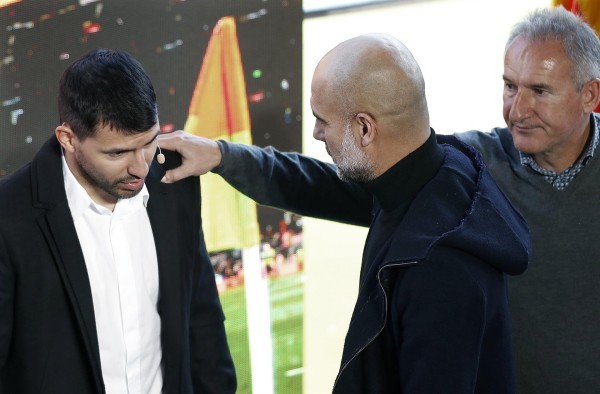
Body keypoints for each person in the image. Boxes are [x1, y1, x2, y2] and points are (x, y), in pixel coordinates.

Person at [158, 33, 531, 392]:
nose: (318, 133)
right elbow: (314, 185)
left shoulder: (438, 267)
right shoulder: (438, 171)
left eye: (323, 119)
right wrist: (223, 156)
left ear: (365, 128)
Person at [0, 49, 236, 393]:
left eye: (148, 143)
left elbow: (202, 321)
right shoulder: (10, 215)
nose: (141, 167)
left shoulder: (175, 179)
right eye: (117, 153)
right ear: (68, 138)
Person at [455, 6, 600, 393]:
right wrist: (269, 169)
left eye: (539, 90)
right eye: (510, 86)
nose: (517, 110)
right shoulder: (471, 164)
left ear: (589, 94)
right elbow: (373, 180)